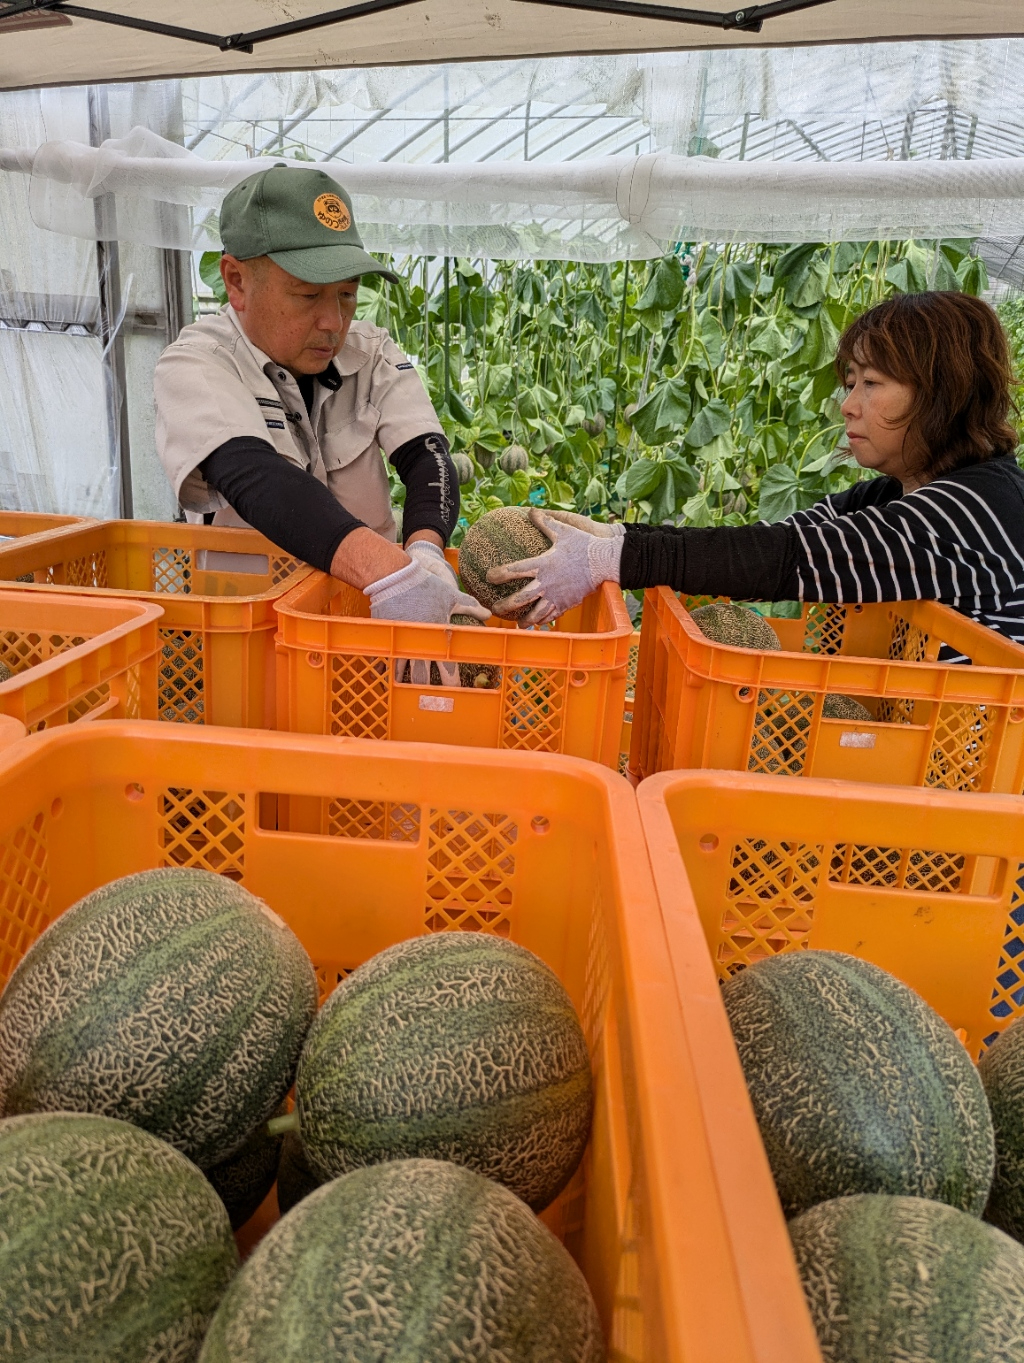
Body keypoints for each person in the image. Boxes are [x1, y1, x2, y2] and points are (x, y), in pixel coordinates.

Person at [489, 292, 1024, 654]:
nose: (848, 405)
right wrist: (620, 537)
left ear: (942, 394)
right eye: (851, 381)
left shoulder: (974, 510)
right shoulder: (893, 494)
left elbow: (786, 562)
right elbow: (778, 538)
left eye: (872, 383)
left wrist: (612, 559)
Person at [154, 165, 487, 631]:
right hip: (252, 631)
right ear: (236, 281)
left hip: (363, 623)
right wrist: (393, 575)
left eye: (348, 294)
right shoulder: (197, 363)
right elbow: (259, 479)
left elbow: (426, 456)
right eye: (308, 294)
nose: (334, 321)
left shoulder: (372, 354)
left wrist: (426, 551)